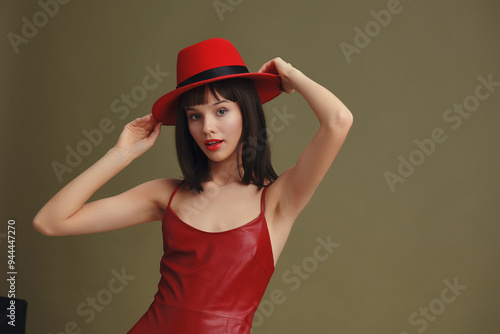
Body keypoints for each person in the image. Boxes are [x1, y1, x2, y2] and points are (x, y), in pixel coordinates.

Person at [33, 38, 353, 333]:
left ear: (248, 112)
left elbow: (338, 120)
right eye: (195, 116)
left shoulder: (278, 199)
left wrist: (288, 72)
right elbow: (50, 222)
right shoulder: (166, 194)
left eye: (221, 110)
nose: (208, 128)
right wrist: (121, 154)